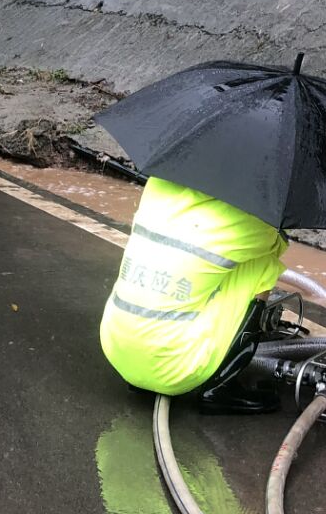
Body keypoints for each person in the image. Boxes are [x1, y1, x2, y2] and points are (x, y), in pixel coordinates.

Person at [98, 176, 291, 412]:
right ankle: (220, 388)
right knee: (264, 264)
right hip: (174, 368)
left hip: (115, 346)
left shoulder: (157, 183)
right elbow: (276, 243)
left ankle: (142, 373)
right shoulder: (250, 217)